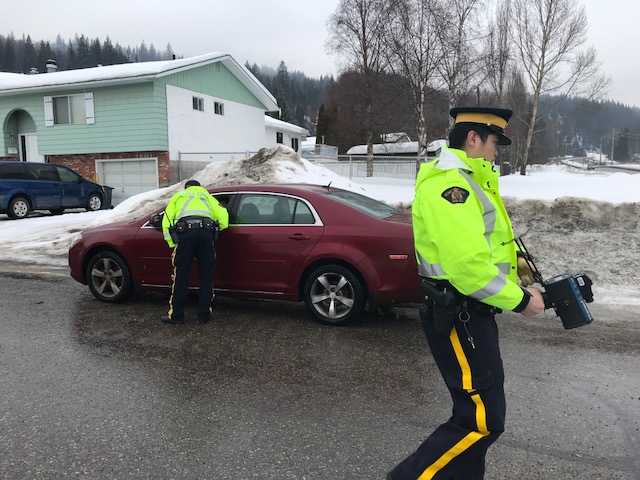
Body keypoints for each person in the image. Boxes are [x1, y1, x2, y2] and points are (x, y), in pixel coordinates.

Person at [388, 106, 545, 479]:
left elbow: (486, 243)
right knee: (482, 422)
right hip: (459, 315)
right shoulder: (450, 186)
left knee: (472, 415)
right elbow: (466, 268)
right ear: (473, 138)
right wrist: (521, 301)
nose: (496, 152)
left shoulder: (474, 180)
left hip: (473, 314)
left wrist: (516, 265)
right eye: (494, 142)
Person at [161, 179, 229, 325]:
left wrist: (173, 244)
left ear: (187, 188)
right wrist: (212, 230)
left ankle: (177, 316)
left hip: (185, 236)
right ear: (200, 188)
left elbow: (166, 223)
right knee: (206, 276)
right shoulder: (207, 197)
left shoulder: (179, 196)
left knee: (181, 277)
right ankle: (203, 315)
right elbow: (224, 220)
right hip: (205, 236)